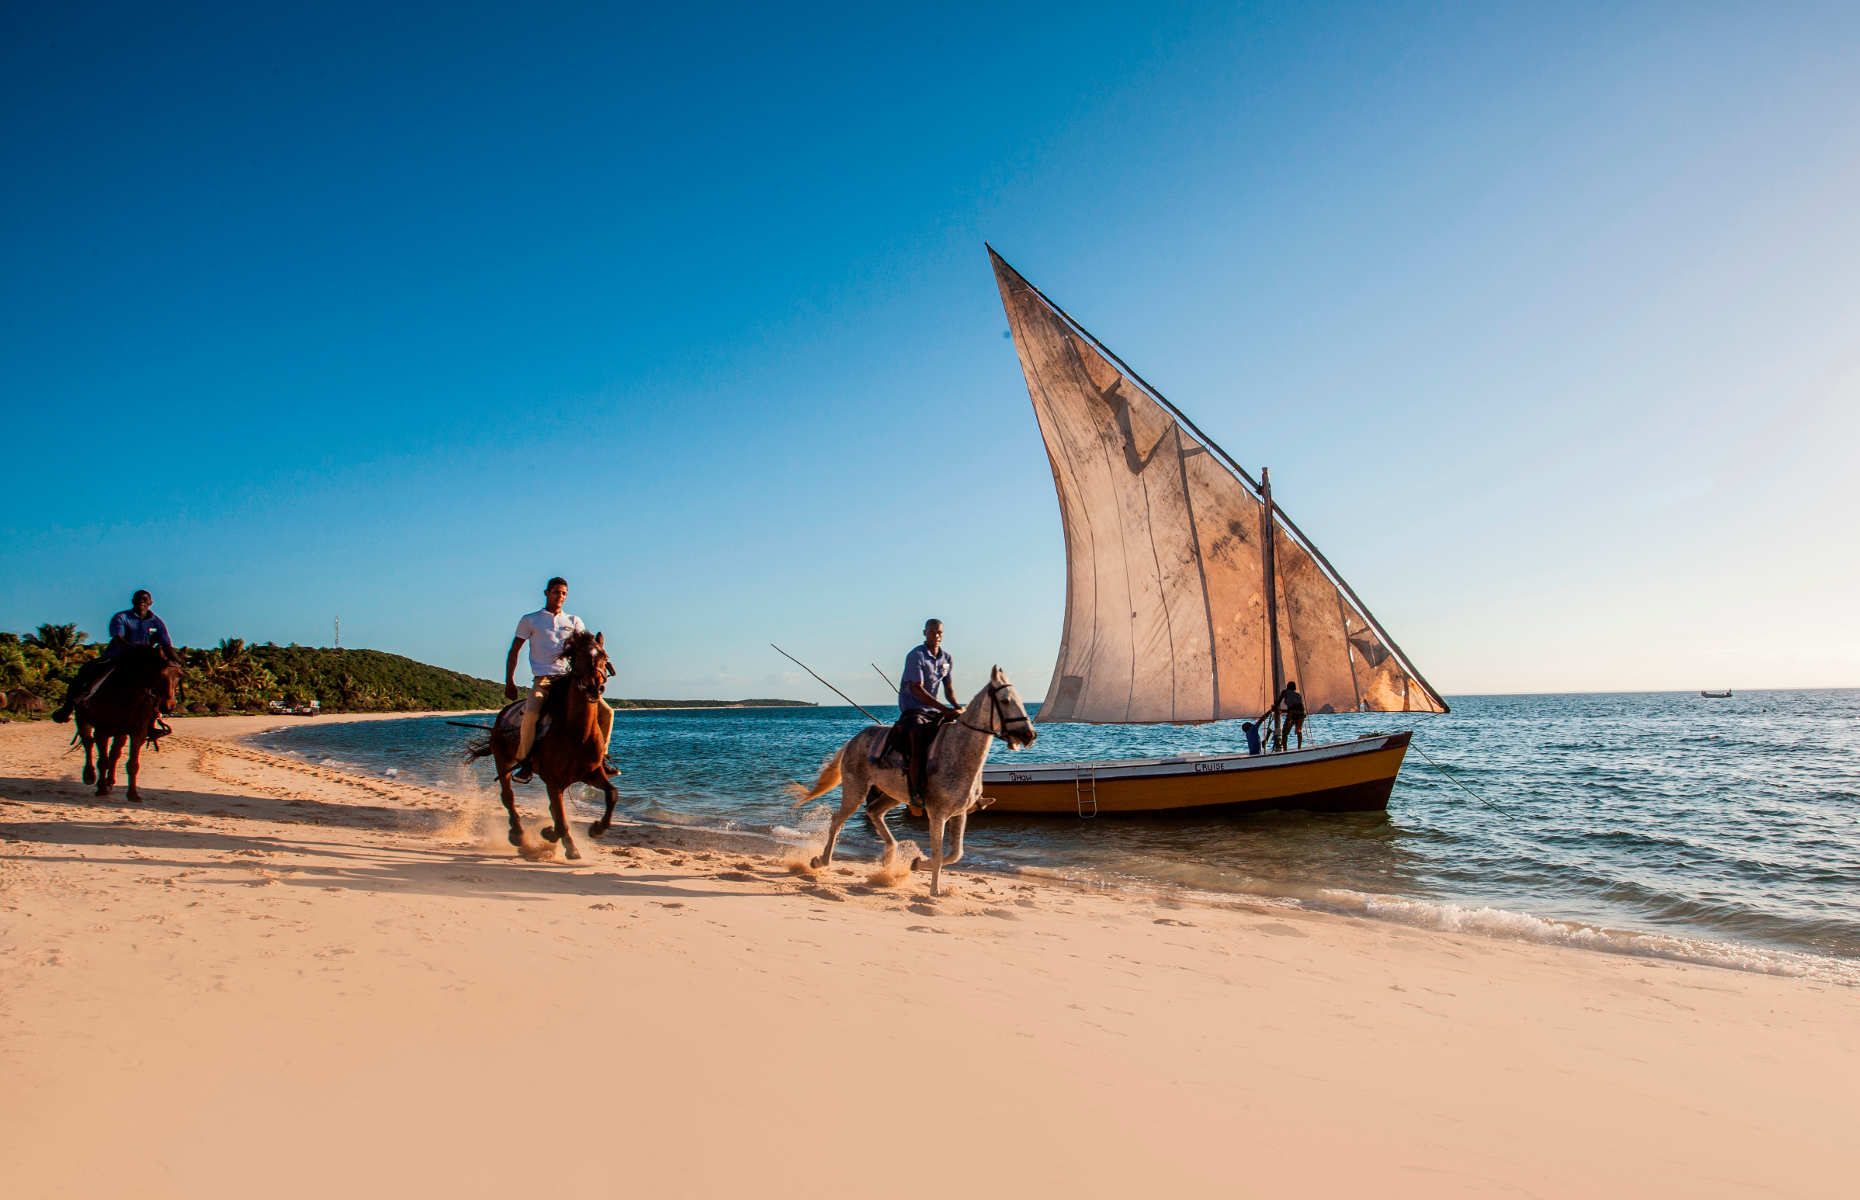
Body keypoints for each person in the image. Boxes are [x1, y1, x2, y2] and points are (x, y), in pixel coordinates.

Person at [503, 577, 614, 783]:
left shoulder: (573, 621)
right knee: (531, 713)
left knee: (607, 712)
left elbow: (586, 648)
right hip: (544, 680)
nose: (560, 596)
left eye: (564, 593)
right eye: (556, 592)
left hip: (570, 680)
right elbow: (514, 651)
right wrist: (509, 680)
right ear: (547, 593)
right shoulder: (530, 620)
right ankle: (525, 762)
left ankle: (601, 759)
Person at [53, 590, 174, 724]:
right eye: (139, 600)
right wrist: (136, 650)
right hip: (119, 657)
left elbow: (166, 643)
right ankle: (68, 707)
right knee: (87, 671)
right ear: (133, 601)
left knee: (163, 680)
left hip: (144, 662)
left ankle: (156, 714)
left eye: (145, 600)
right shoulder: (121, 617)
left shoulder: (156, 622)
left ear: (150, 603)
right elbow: (118, 638)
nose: (142, 602)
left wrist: (176, 657)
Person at [892, 618, 961, 805]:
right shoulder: (916, 656)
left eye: (939, 632)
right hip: (914, 709)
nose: (936, 636)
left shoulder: (946, 659)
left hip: (934, 710)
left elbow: (948, 689)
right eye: (932, 632)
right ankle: (916, 791)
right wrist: (944, 709)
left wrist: (957, 707)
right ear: (925, 633)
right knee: (918, 742)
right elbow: (917, 688)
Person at [1258, 680, 1306, 751]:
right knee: (1298, 730)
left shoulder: (1285, 692)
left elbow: (1279, 702)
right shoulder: (1298, 695)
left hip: (1292, 714)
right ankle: (1299, 748)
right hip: (1301, 714)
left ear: (1287, 687)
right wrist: (1283, 711)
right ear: (1295, 688)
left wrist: (1274, 707)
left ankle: (1285, 750)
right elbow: (1297, 707)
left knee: (1284, 733)